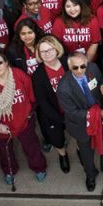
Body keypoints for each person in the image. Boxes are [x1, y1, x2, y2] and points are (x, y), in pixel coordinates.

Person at [0, 50, 48, 186]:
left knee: (31, 146)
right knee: (5, 151)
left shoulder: (19, 75)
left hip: (24, 121)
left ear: (6, 63)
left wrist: (29, 115)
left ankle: (39, 168)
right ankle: (9, 171)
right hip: (1, 126)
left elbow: (33, 98)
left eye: (0, 63)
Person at [56, 52, 103, 192]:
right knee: (86, 153)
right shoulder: (63, 88)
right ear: (69, 67)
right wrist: (96, 114)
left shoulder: (93, 68)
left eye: (82, 66)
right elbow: (72, 112)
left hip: (101, 116)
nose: (80, 70)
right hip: (81, 124)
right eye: (75, 67)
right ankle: (90, 175)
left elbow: (100, 82)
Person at [30, 36, 71, 175]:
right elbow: (43, 102)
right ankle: (63, 154)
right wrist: (60, 118)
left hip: (73, 109)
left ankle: (80, 151)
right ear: (39, 54)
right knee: (57, 138)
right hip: (53, 113)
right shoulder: (38, 75)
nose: (47, 53)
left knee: (79, 135)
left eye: (50, 49)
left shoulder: (68, 62)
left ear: (56, 49)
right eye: (43, 51)